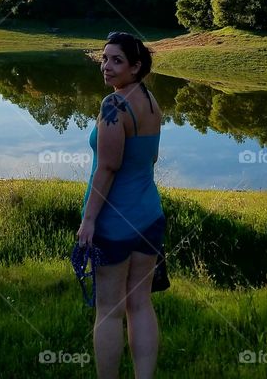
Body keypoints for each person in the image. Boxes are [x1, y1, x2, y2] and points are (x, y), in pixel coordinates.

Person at [77, 31, 164, 379]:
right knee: (140, 303)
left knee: (109, 310)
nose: (107, 67)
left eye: (117, 60)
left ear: (136, 66)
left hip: (115, 222)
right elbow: (151, 157)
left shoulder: (113, 105)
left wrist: (88, 222)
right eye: (104, 58)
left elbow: (108, 167)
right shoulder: (149, 99)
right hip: (150, 216)